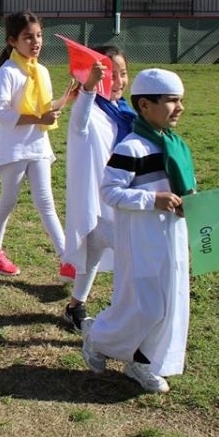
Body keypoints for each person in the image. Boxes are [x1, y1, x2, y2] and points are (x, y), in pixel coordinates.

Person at [81, 68, 195, 394]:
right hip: (141, 241)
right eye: (172, 101)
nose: (180, 108)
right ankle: (97, 336)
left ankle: (142, 363)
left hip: (171, 238)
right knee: (146, 306)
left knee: (169, 305)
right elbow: (110, 192)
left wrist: (192, 205)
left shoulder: (175, 146)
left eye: (180, 100)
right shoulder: (131, 148)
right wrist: (151, 199)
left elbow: (184, 189)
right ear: (145, 105)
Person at [0, 11, 69, 280]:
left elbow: (45, 107)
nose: (35, 42)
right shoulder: (7, 72)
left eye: (39, 36)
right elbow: (3, 114)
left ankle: (67, 258)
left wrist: (66, 99)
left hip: (39, 146)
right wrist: (39, 117)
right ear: (12, 40)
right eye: (28, 37)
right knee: (8, 201)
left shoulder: (41, 70)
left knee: (46, 203)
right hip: (14, 148)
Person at [62, 46, 136, 331]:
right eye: (111, 75)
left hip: (123, 195)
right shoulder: (90, 110)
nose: (118, 81)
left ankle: (76, 305)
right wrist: (90, 85)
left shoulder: (126, 111)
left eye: (124, 74)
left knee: (94, 253)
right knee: (126, 252)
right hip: (99, 200)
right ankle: (124, 313)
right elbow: (79, 123)